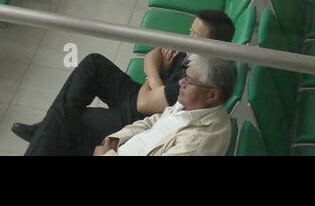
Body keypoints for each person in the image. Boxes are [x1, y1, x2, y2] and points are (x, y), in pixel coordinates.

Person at [13, 10, 234, 155]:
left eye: (196, 36)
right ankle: (47, 130)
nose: (187, 39)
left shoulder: (202, 83)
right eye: (190, 32)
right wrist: (155, 84)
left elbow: (144, 107)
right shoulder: (195, 74)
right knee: (94, 64)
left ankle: (45, 131)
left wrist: (154, 80)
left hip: (138, 109)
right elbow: (152, 57)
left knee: (71, 119)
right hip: (142, 101)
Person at [91, 55, 236, 156]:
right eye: (184, 77)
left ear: (212, 95)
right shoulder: (194, 106)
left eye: (189, 81)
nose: (181, 82)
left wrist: (106, 154)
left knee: (78, 124)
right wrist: (114, 140)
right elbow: (153, 122)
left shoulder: (197, 143)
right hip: (119, 147)